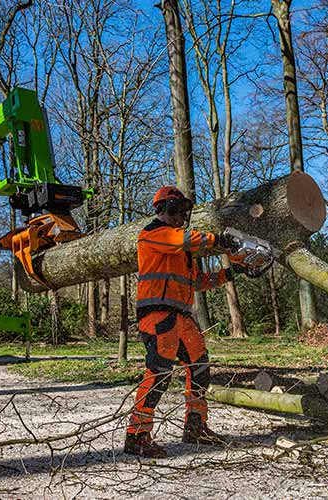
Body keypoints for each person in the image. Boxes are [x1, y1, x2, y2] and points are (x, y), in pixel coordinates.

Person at [124, 186, 240, 458]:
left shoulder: (182, 249)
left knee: (200, 367)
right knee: (159, 372)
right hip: (157, 314)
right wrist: (221, 240)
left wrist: (233, 271)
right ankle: (137, 434)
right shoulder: (154, 233)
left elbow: (198, 282)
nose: (182, 217)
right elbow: (191, 239)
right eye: (179, 211)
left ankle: (195, 426)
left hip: (181, 315)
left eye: (184, 212)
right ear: (166, 208)